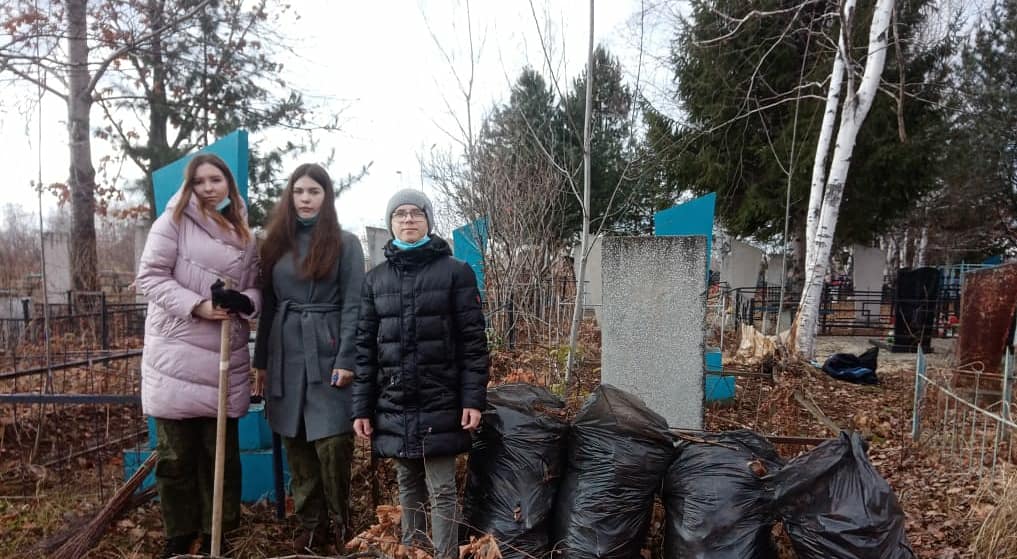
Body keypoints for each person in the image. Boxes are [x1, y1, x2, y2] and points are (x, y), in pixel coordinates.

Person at [352, 189, 490, 559]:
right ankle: (414, 552)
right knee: (407, 484)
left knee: (442, 488)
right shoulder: (375, 280)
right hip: (394, 401)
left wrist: (472, 399)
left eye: (416, 212)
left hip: (441, 400)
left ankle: (444, 554)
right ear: (391, 223)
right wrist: (361, 408)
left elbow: (473, 344)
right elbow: (364, 349)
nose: (409, 219)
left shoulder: (455, 273)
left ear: (428, 220)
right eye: (400, 214)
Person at [135, 153, 261, 558]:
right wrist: (198, 305)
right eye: (200, 181)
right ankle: (179, 532)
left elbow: (256, 287)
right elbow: (150, 277)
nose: (208, 188)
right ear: (190, 185)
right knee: (175, 456)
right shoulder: (172, 223)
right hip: (176, 354)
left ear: (229, 185)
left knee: (220, 455)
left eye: (216, 180)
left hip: (224, 354)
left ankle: (216, 532)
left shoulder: (244, 233)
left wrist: (244, 301)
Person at [252, 163, 365, 554]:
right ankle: (312, 528)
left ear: (325, 197)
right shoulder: (275, 244)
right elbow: (268, 307)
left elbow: (354, 304)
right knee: (296, 441)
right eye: (298, 191)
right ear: (290, 195)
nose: (305, 198)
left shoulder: (345, 243)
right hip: (285, 353)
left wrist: (347, 358)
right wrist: (261, 362)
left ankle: (343, 524)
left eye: (313, 191)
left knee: (333, 442)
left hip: (328, 350)